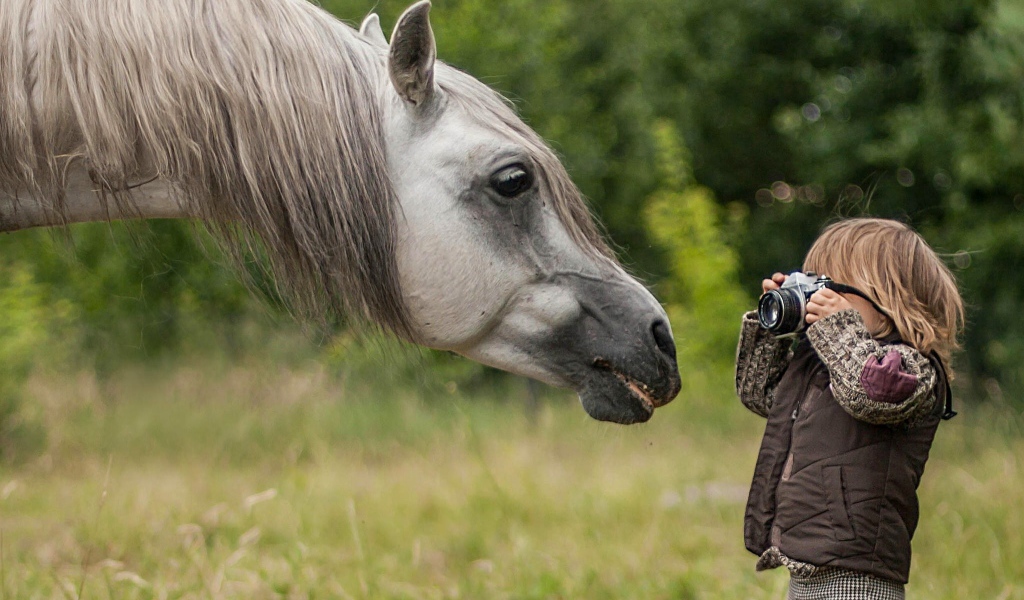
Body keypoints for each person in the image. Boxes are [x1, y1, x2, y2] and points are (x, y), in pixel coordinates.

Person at [735, 218, 965, 599]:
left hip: (859, 573)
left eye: (830, 287)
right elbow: (760, 395)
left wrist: (838, 329)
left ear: (888, 296)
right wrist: (773, 331)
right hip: (806, 562)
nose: (818, 298)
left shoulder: (911, 367)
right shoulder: (825, 362)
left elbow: (869, 393)